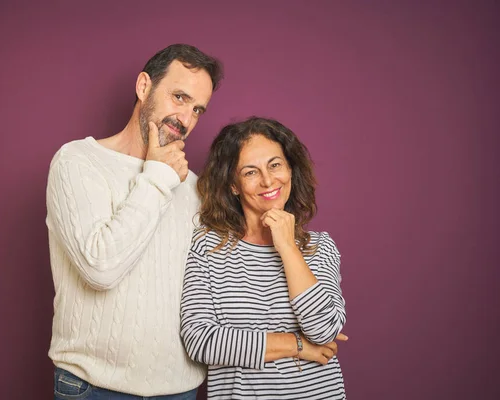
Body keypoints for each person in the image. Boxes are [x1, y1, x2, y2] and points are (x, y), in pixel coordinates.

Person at [45, 44, 223, 399]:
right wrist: (158, 174)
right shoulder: (78, 162)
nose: (185, 119)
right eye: (178, 97)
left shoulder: (194, 188)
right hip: (93, 388)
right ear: (144, 87)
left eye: (197, 109)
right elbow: (100, 268)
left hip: (180, 390)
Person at [180, 117, 348, 399]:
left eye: (275, 165)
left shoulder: (320, 247)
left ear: (290, 169)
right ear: (233, 185)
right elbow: (201, 341)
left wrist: (287, 245)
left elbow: (323, 330)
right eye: (250, 172)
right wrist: (296, 344)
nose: (268, 180)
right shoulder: (207, 247)